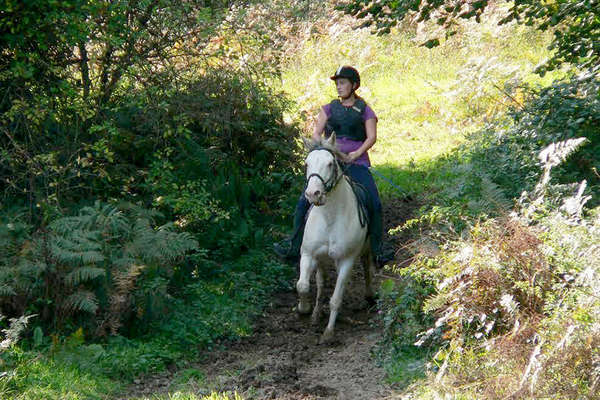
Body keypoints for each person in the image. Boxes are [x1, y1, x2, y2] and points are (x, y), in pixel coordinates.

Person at [274, 66, 391, 266]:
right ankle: (293, 245)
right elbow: (316, 134)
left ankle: (378, 249)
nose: (339, 87)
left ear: (354, 85)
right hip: (330, 162)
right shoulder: (328, 109)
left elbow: (372, 137)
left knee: (374, 202)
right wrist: (327, 151)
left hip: (356, 162)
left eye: (343, 83)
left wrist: (355, 154)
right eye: (337, 83)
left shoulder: (365, 110)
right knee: (304, 200)